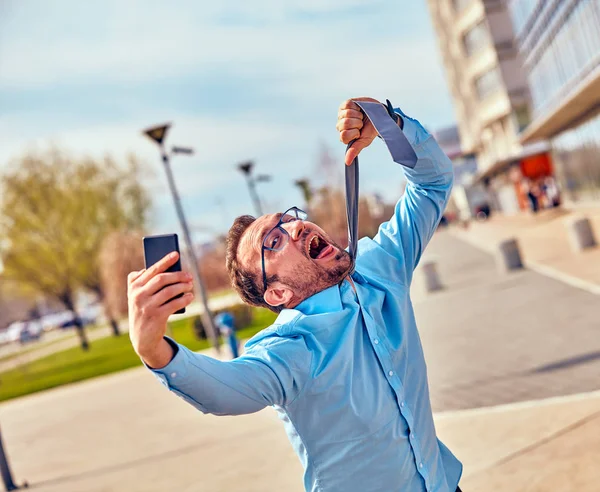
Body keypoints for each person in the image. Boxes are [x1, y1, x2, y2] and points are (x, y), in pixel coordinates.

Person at [127, 97, 462, 492]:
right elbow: (225, 388)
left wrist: (391, 126)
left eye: (288, 220)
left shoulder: (379, 267)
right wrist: (152, 349)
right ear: (278, 293)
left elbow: (433, 183)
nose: (294, 228)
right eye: (272, 242)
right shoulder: (290, 350)